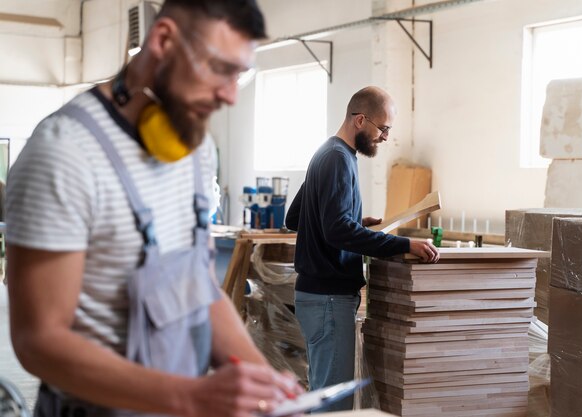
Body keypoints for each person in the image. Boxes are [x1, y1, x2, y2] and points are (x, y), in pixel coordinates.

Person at [6, 1, 301, 417]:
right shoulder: (64, 154)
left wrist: (264, 387)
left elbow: (197, 285)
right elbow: (39, 341)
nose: (230, 95)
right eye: (219, 68)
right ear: (163, 40)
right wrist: (191, 396)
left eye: (239, 74)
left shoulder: (194, 149)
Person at [285, 86, 440, 412]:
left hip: (314, 297)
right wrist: (404, 243)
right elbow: (336, 230)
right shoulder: (339, 160)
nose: (385, 137)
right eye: (383, 128)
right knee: (333, 403)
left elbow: (296, 217)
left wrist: (357, 220)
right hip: (328, 299)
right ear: (360, 120)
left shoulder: (325, 154)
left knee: (322, 394)